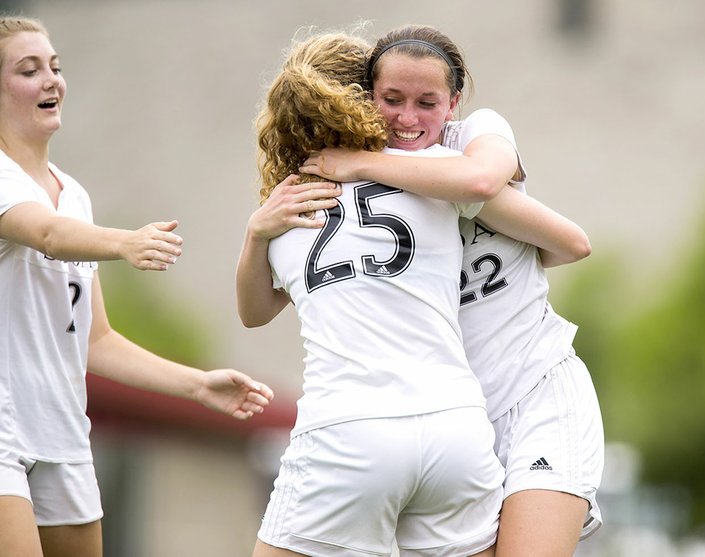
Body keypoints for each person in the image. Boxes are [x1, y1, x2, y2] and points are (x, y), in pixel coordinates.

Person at [299, 24, 604, 557]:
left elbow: (534, 219)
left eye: (428, 101)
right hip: (455, 422)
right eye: (391, 100)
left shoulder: (470, 140)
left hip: (537, 391)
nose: (408, 118)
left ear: (454, 101)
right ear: (368, 98)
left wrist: (364, 163)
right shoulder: (356, 196)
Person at [0, 16, 274, 557]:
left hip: (61, 431)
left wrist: (197, 385)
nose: (51, 81)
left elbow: (97, 342)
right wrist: (125, 244)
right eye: (28, 70)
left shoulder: (73, 194)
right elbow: (48, 234)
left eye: (55, 67)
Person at [237, 31, 511, 557]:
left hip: (349, 432)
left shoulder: (289, 201)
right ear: (367, 99)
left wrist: (256, 233)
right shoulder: (437, 173)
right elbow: (564, 239)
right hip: (455, 428)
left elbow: (253, 313)